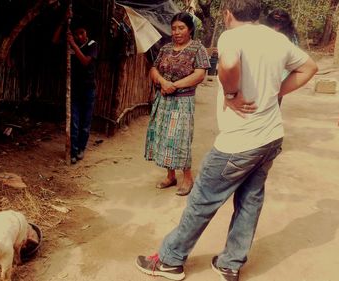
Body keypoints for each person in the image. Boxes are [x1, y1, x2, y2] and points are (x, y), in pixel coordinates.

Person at [135, 0, 317, 280]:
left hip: (239, 142)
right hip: (270, 138)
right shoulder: (277, 39)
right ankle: (230, 263)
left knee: (202, 200)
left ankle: (170, 260)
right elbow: (309, 68)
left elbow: (229, 63)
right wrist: (273, 93)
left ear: (228, 13)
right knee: (250, 200)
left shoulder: (232, 35)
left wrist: (231, 94)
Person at [144, 12, 210, 196]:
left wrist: (173, 85)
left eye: (181, 28)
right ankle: (170, 176)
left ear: (190, 29)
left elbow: (199, 74)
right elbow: (153, 69)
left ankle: (187, 178)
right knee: (164, 136)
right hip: (163, 99)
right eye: (174, 28)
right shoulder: (165, 49)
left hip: (182, 101)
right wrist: (163, 82)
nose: (177, 32)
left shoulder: (197, 48)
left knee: (180, 138)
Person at [54, 16, 99, 164]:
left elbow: (86, 62)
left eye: (82, 33)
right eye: (76, 34)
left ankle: (81, 149)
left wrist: (73, 44)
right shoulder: (70, 45)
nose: (79, 36)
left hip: (88, 90)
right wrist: (62, 24)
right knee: (74, 122)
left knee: (85, 123)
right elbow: (54, 41)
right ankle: (72, 151)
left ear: (86, 33)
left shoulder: (92, 45)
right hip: (74, 89)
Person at [265, 9, 299, 106]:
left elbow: (293, 58)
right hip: (262, 73)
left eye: (280, 24)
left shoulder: (291, 37)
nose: (276, 27)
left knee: (273, 106)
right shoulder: (263, 32)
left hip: (280, 77)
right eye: (274, 23)